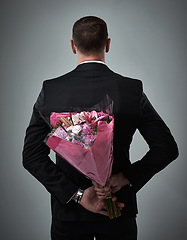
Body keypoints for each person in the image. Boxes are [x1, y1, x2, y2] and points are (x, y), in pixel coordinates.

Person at [22, 16, 179, 240]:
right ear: (107, 44)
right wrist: (124, 178)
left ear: (73, 45)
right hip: (118, 209)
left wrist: (76, 195)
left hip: (69, 216)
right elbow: (166, 148)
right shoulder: (131, 90)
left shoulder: (52, 90)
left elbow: (31, 156)